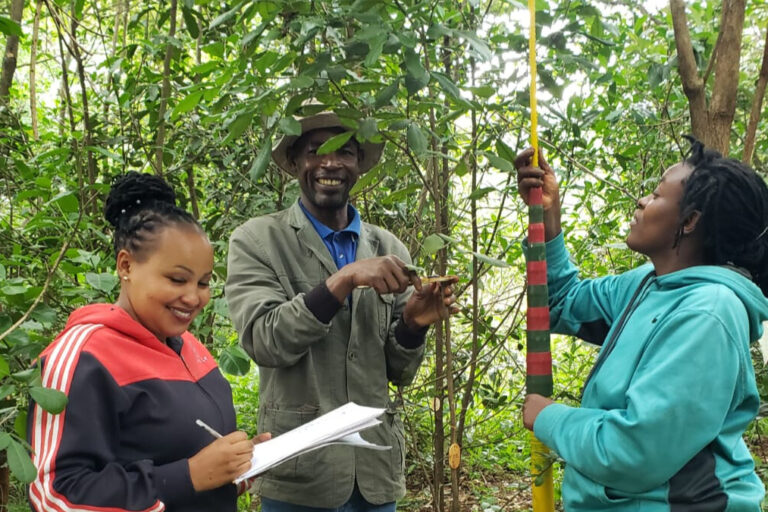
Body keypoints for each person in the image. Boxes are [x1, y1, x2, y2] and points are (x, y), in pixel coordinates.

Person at [516, 137, 768, 511]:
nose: (642, 202)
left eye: (655, 195)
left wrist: (550, 417)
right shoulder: (648, 284)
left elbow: (634, 452)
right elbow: (561, 303)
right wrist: (548, 215)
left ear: (691, 220)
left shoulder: (707, 314)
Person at [225, 108, 459, 510]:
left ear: (358, 166)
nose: (329, 163)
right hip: (301, 473)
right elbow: (265, 342)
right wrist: (342, 279)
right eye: (316, 150)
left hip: (375, 470)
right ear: (296, 162)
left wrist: (413, 324)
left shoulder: (389, 248)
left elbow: (399, 372)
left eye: (344, 152)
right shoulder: (258, 240)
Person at [28, 172, 269, 512]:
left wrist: (240, 466)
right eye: (177, 279)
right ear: (126, 265)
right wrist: (190, 476)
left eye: (202, 282)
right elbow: (54, 495)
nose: (193, 297)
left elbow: (190, 461)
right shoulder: (83, 356)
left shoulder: (190, 348)